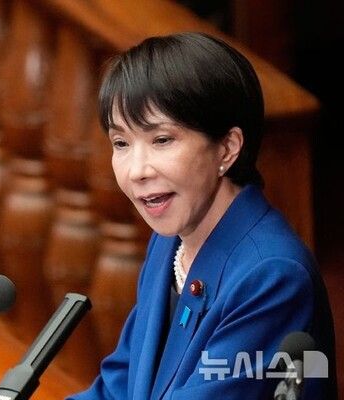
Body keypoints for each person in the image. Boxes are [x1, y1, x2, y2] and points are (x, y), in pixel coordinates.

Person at [67, 32, 337, 399]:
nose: (136, 170)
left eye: (162, 140)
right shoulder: (169, 244)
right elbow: (118, 387)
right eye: (121, 143)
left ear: (227, 148)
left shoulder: (272, 275)